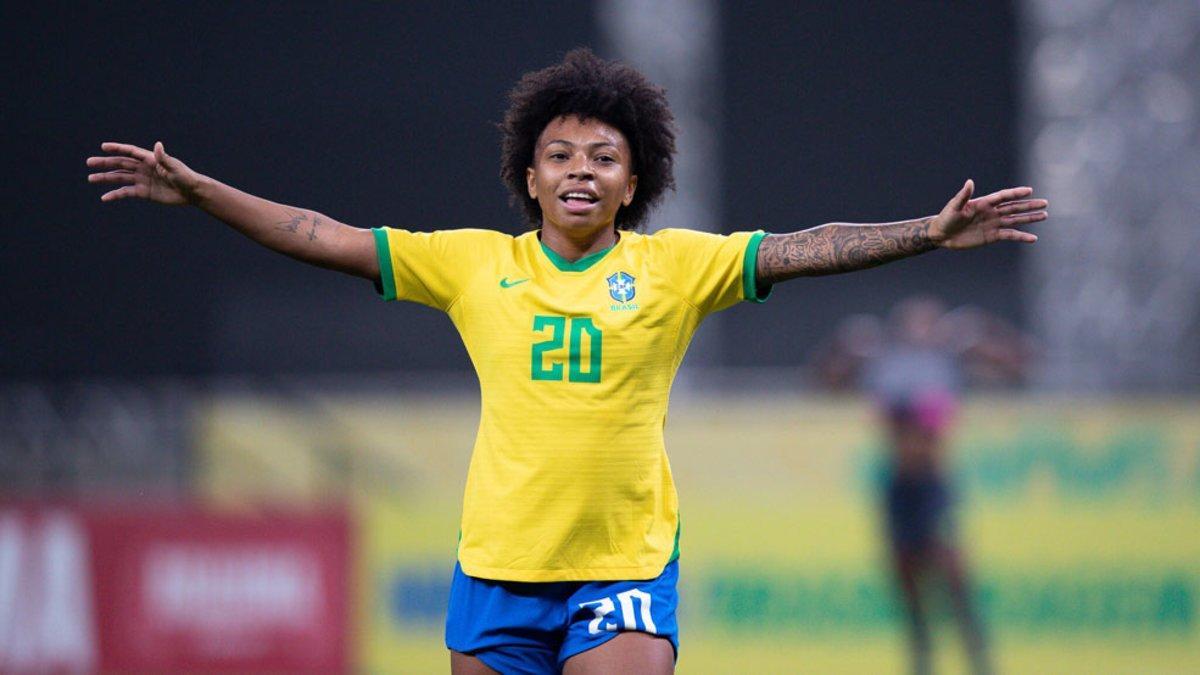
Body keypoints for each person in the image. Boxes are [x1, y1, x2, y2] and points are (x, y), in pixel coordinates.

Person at [87, 48, 1047, 675]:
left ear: (636, 181)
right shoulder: (470, 264)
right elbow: (318, 233)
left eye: (603, 155)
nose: (580, 168)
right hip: (498, 565)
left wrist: (928, 231)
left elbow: (805, 243)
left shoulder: (676, 266)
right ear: (529, 174)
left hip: (622, 563)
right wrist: (200, 190)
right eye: (559, 154)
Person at [812, 297, 1033, 675]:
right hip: (898, 488)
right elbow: (824, 381)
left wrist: (985, 333)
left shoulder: (946, 362)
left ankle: (980, 665)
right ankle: (923, 666)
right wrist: (844, 346)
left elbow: (1019, 364)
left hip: (932, 486)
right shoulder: (883, 363)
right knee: (911, 596)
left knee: (956, 587)